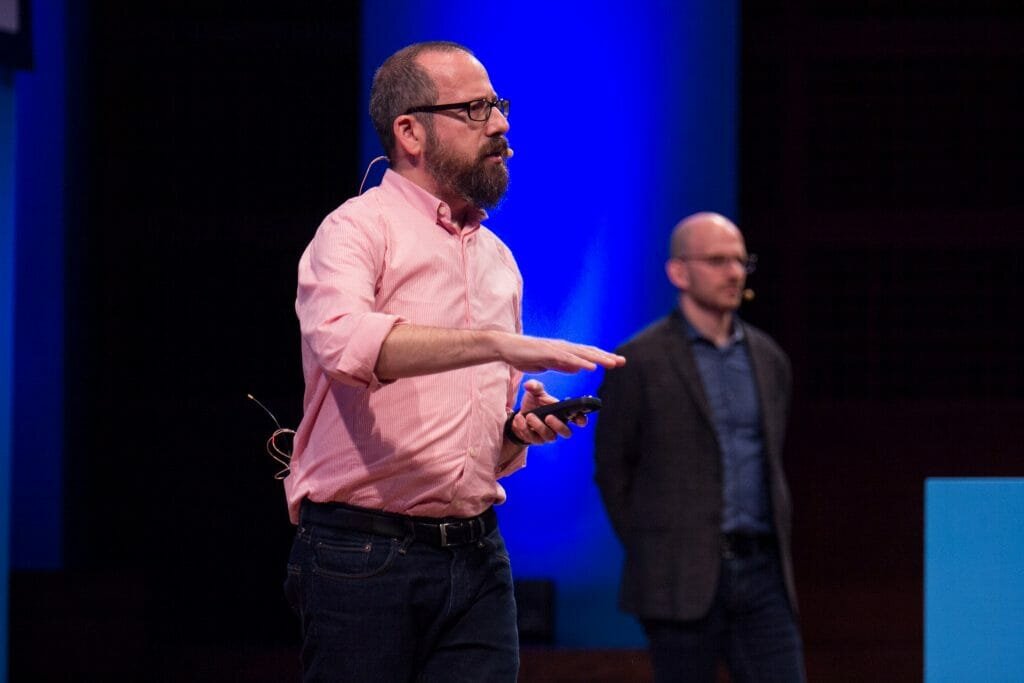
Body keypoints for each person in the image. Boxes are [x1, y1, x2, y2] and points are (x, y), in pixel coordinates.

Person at [282, 41, 625, 683]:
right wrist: (497, 345)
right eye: (474, 109)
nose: (500, 124)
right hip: (363, 554)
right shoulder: (355, 231)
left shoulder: (497, 258)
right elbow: (349, 345)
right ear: (410, 131)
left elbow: (472, 439)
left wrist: (514, 429)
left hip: (477, 557)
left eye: (498, 105)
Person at [594, 212, 805, 682]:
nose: (734, 273)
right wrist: (656, 547)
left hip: (763, 573)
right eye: (717, 261)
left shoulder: (770, 360)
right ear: (679, 272)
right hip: (679, 580)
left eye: (740, 261)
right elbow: (613, 470)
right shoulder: (640, 361)